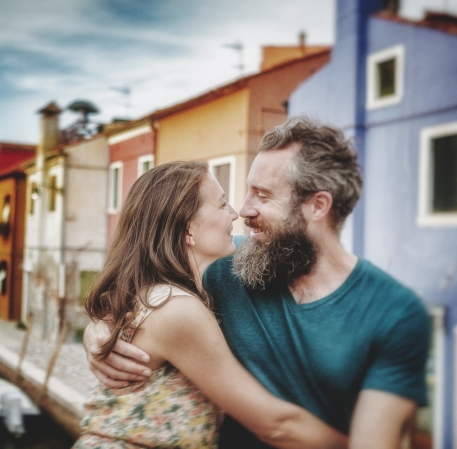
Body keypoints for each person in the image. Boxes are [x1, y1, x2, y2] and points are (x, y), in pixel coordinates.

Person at [85, 117, 430, 448]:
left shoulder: (392, 312)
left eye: (262, 197)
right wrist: (100, 331)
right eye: (242, 195)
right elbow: (140, 292)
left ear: (317, 205)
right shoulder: (223, 265)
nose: (243, 211)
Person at [74, 160, 346, 448]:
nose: (235, 213)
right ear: (187, 228)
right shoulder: (176, 308)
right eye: (222, 204)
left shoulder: (161, 294)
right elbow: (275, 425)